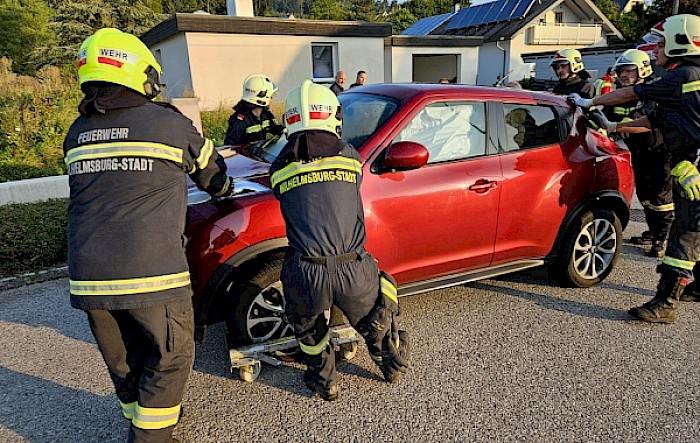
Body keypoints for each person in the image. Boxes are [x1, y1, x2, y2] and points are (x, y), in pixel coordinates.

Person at [63, 28, 232, 442]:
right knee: (171, 356)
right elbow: (214, 176)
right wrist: (225, 192)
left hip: (89, 275)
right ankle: (151, 433)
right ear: (138, 74)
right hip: (152, 270)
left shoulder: (76, 133)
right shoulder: (168, 124)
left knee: (123, 358)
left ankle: (144, 414)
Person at [270, 79, 410, 400]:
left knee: (307, 327)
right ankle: (390, 364)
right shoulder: (349, 156)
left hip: (307, 270)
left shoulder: (279, 167)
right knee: (375, 312)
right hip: (352, 267)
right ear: (332, 116)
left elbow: (285, 186)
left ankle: (325, 381)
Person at [568, 14, 700, 324]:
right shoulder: (690, 78)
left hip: (694, 165)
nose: (655, 52)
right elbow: (654, 120)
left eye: (662, 45)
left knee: (685, 235)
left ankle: (665, 303)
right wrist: (615, 125)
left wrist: (589, 104)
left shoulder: (680, 77)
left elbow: (630, 94)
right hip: (691, 161)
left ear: (680, 44)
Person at [601, 49, 674, 258]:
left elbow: (642, 119)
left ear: (642, 70)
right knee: (645, 195)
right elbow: (607, 112)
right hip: (640, 151)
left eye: (629, 71)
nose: (624, 75)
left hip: (661, 151)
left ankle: (662, 238)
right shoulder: (624, 93)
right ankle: (652, 232)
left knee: (661, 197)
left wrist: (614, 127)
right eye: (621, 71)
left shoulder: (652, 91)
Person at [224, 74, 284, 146]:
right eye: (270, 96)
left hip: (259, 154)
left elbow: (278, 130)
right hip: (245, 156)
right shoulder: (239, 121)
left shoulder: (266, 115)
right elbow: (229, 147)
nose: (271, 99)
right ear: (261, 96)